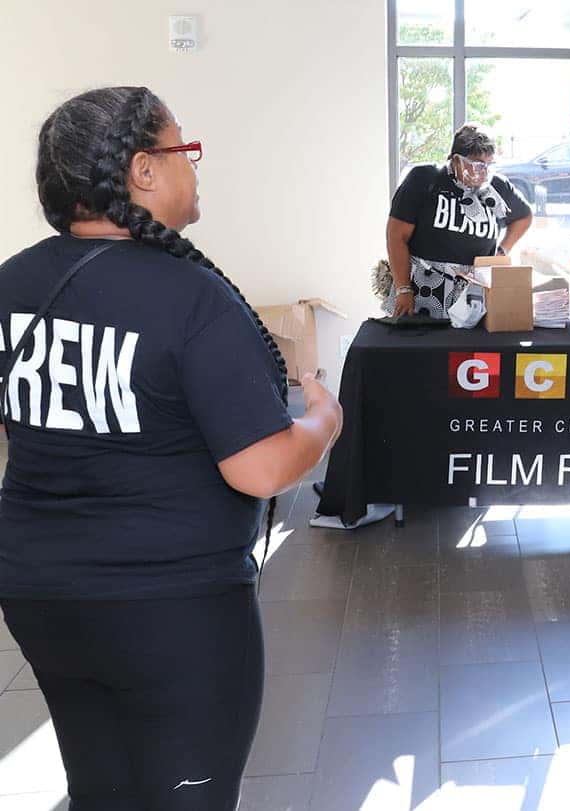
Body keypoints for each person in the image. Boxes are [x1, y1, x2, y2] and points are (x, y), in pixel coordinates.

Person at [0, 86, 342, 809]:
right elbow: (262, 466)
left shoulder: (11, 283)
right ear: (143, 171)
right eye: (184, 148)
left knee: (101, 787)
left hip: (40, 595)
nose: (195, 165)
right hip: (173, 609)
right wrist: (325, 419)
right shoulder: (191, 296)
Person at [386, 124, 533, 318]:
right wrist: (403, 289)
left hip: (473, 296)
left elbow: (524, 217)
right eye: (478, 165)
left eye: (489, 165)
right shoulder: (424, 179)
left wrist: (502, 251)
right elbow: (396, 236)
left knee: (470, 348)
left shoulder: (497, 186)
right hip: (422, 291)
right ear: (456, 159)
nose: (483, 172)